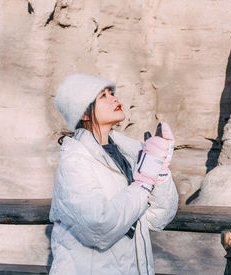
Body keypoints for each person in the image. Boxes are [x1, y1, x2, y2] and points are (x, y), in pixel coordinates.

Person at [49, 73, 178, 274]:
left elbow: (156, 218)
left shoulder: (127, 153)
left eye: (112, 93)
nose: (115, 98)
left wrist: (159, 171)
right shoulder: (75, 160)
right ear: (83, 113)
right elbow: (98, 227)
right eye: (103, 96)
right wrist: (142, 184)